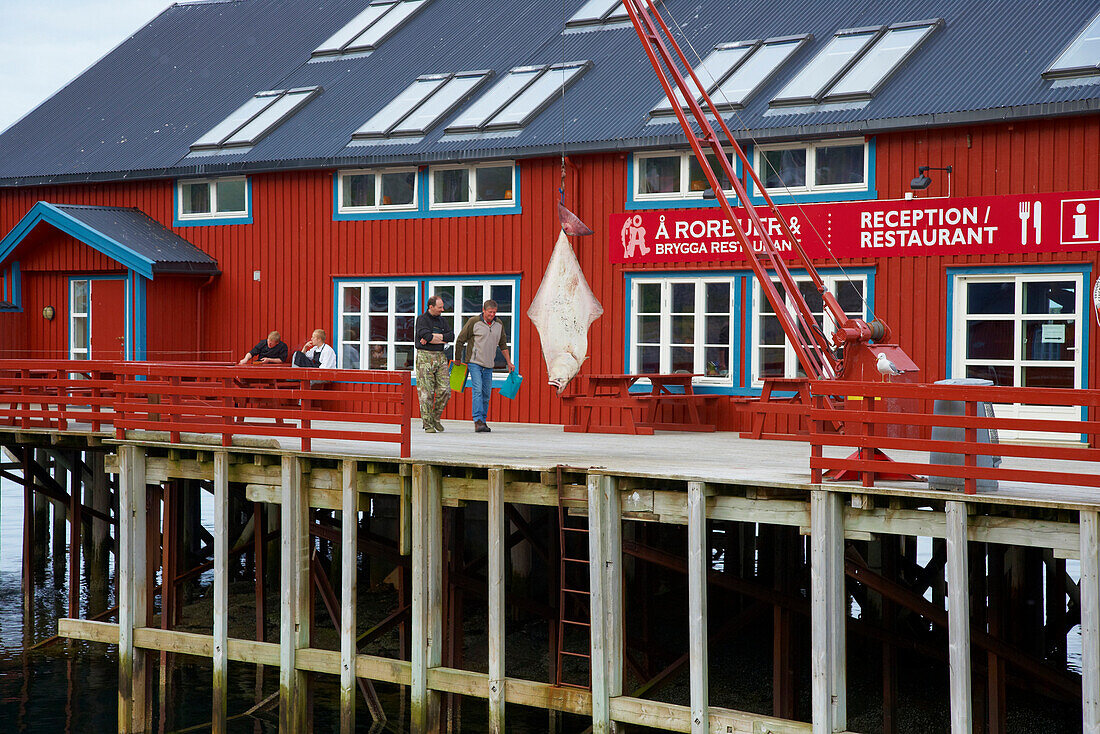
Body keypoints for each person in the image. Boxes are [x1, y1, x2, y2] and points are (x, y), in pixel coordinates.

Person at [453, 299, 514, 433]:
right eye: (490, 312)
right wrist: (457, 358)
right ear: (484, 310)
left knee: (486, 393)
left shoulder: (499, 324)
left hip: (489, 365)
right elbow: (460, 340)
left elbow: (503, 344)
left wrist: (509, 362)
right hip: (474, 362)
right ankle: (477, 420)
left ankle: (483, 421)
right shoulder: (474, 322)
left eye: (494, 312)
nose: (492, 315)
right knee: (478, 389)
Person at [413, 295, 454, 433]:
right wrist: (435, 338)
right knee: (426, 393)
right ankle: (428, 423)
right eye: (440, 307)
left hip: (440, 356)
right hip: (425, 357)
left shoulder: (442, 320)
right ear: (431, 307)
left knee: (445, 391)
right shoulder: (422, 319)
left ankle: (435, 417)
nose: (442, 309)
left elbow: (451, 336)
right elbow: (426, 336)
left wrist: (435, 338)